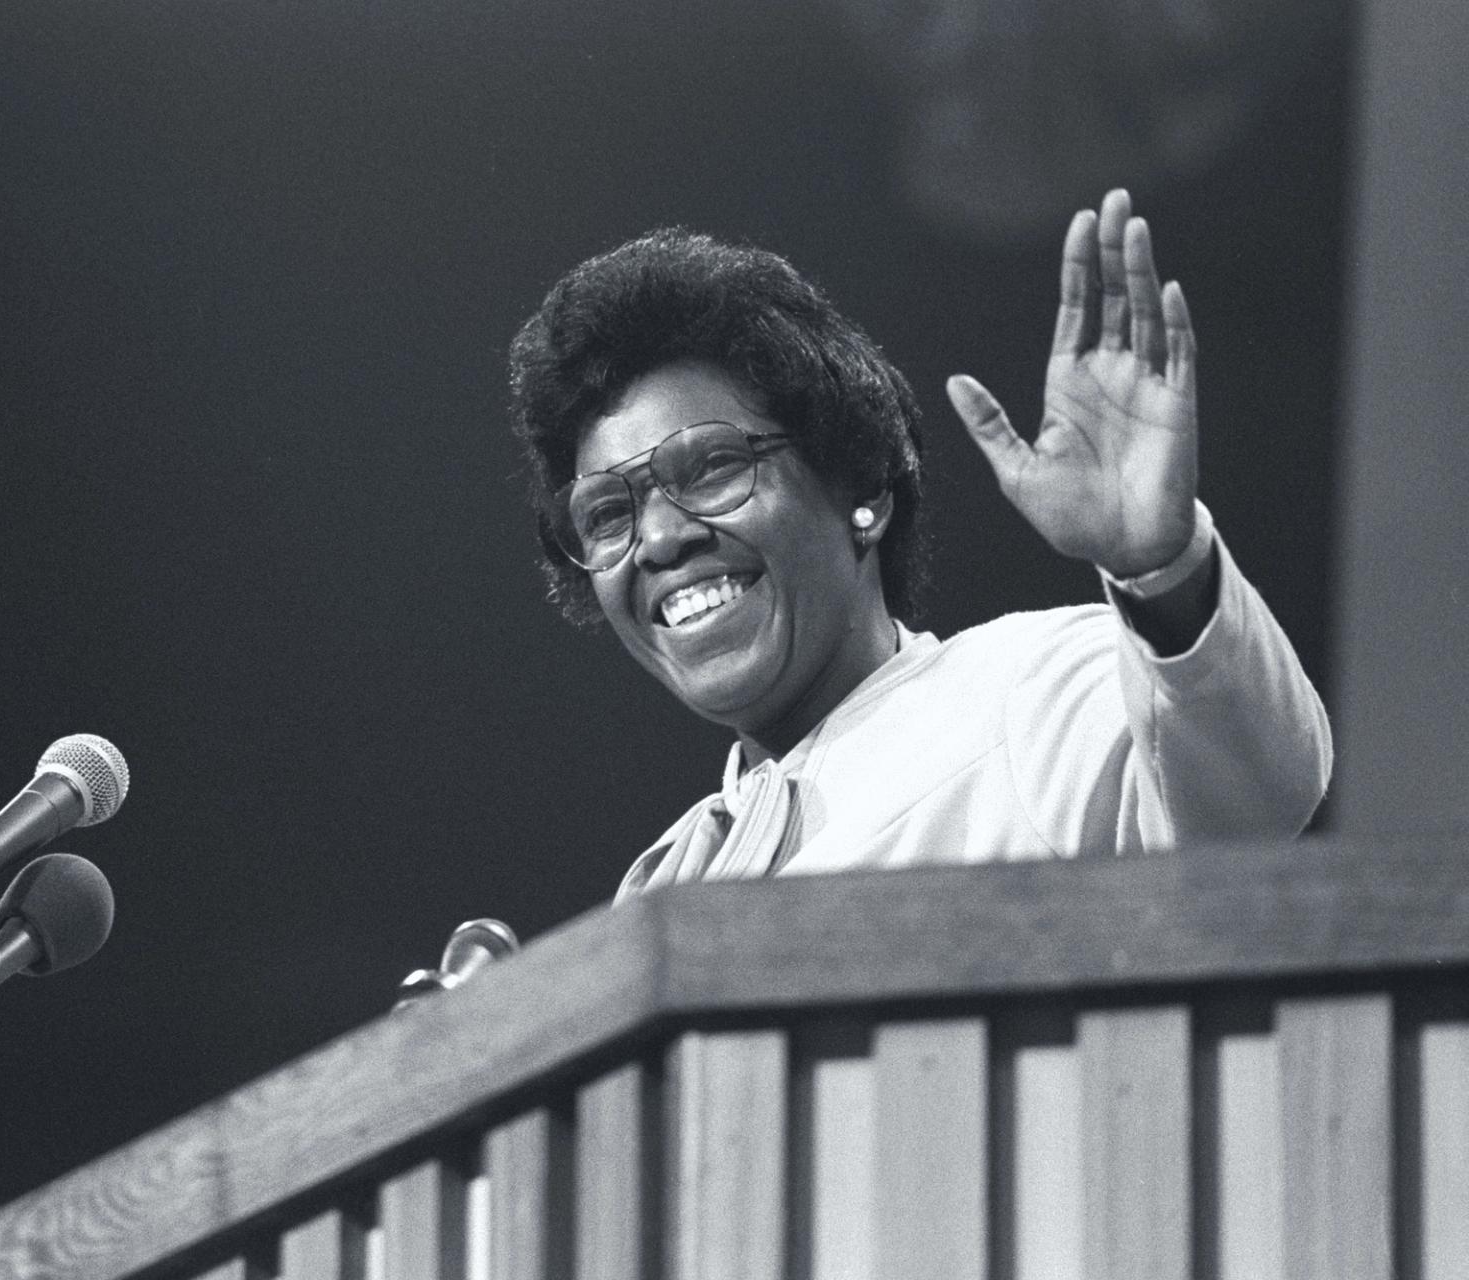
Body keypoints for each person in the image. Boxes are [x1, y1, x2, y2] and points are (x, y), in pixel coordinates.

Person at [506, 189, 1332, 898]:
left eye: (712, 466)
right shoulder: (670, 881)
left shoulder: (1025, 695)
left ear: (862, 488)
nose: (658, 538)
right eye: (608, 513)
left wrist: (1161, 566)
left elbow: (1260, 792)